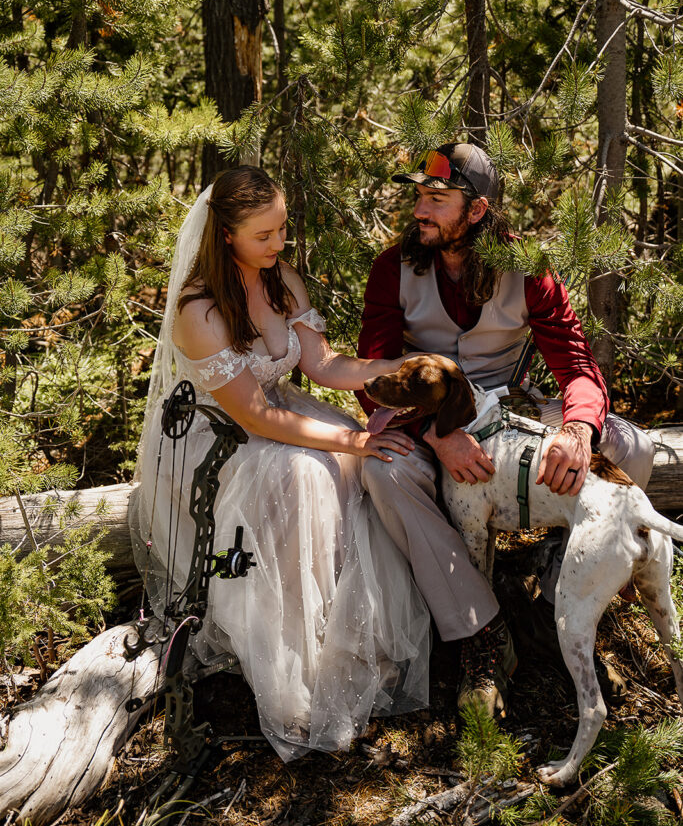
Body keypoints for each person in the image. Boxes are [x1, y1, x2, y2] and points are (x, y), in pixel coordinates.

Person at [129, 166, 431, 762]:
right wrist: (351, 445)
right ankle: (292, 673)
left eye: (282, 230)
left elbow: (324, 368)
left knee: (347, 458)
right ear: (226, 236)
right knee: (306, 475)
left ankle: (347, 647)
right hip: (217, 439)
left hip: (276, 416)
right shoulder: (200, 310)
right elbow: (258, 418)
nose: (279, 244)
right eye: (264, 235)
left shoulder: (280, 278)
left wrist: (389, 371)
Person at [356, 141, 655, 714]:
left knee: (629, 448)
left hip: (512, 411)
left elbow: (575, 362)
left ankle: (555, 600)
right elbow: (374, 373)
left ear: (477, 210)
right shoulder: (392, 267)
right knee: (385, 473)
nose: (420, 209)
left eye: (436, 199)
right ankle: (481, 634)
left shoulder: (528, 267)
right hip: (425, 420)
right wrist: (437, 435)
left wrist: (578, 430)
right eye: (419, 196)